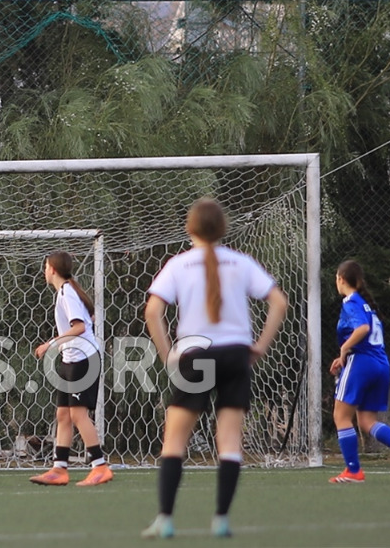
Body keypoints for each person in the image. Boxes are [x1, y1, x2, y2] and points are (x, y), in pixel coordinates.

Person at [141, 198, 288, 539]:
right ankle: (221, 519)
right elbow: (279, 302)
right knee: (230, 441)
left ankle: (165, 519)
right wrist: (260, 345)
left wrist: (167, 354)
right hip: (236, 354)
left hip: (196, 355)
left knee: (174, 440)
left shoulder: (179, 264)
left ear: (189, 228)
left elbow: (152, 312)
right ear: (223, 228)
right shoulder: (241, 262)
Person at [326, 260, 390, 484]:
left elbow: (362, 329)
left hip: (362, 363)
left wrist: (344, 349)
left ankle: (353, 470)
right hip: (380, 364)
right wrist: (345, 353)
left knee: (340, 416)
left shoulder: (351, 302)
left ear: (340, 279)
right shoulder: (366, 304)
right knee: (366, 421)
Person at [29, 251, 112, 487]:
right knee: (63, 415)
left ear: (52, 269)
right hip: (71, 359)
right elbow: (89, 318)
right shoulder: (67, 292)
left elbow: (79, 327)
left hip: (84, 360)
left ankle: (100, 467)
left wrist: (49, 344)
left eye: (46, 266)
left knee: (78, 414)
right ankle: (59, 469)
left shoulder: (67, 292)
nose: (44, 271)